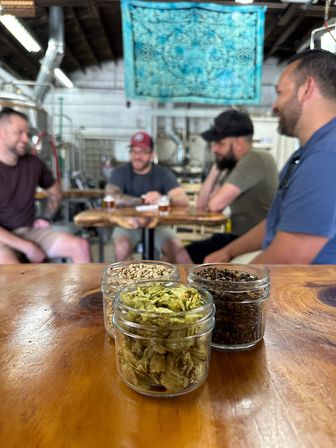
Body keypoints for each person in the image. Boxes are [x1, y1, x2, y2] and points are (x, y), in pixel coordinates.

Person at [205, 49, 336, 264]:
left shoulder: (326, 155)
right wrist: (227, 252)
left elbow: (293, 255)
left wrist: (231, 283)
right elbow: (276, 222)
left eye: (280, 93)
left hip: (311, 292)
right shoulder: (307, 153)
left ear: (307, 89)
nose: (275, 106)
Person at [175, 109, 278, 263]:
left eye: (220, 143)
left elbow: (215, 205)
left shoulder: (255, 159)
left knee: (180, 257)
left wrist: (218, 167)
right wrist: (217, 167)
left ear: (238, 143)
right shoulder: (235, 166)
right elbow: (202, 206)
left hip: (253, 241)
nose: (214, 148)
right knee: (181, 255)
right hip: (238, 237)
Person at [0, 107, 91, 264]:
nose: (25, 139)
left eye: (27, 134)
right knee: (10, 267)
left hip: (28, 231)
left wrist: (46, 216)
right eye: (19, 133)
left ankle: (90, 289)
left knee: (80, 246)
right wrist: (28, 248)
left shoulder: (34, 163)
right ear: (2, 133)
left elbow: (55, 190)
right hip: (3, 238)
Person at [106, 131, 188, 262]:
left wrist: (163, 198)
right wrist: (144, 201)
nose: (137, 156)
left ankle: (162, 281)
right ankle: (130, 281)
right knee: (121, 249)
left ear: (151, 154)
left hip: (158, 225)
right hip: (126, 223)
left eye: (143, 151)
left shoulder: (163, 173)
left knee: (177, 251)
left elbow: (183, 200)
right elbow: (111, 197)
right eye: (134, 151)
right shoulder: (120, 172)